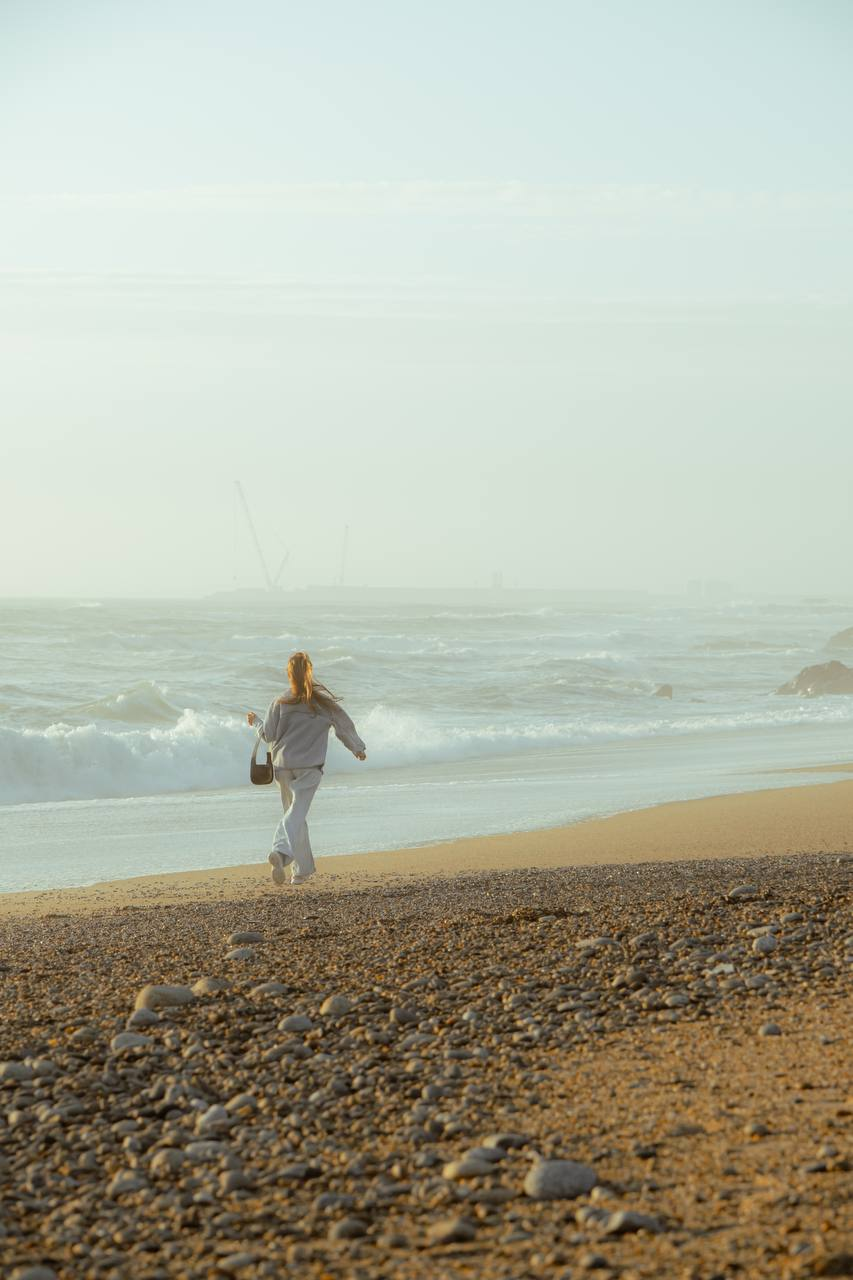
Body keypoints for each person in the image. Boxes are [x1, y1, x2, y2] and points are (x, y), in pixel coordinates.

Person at [247, 651, 366, 886]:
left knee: (295, 815)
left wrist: (256, 722)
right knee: (296, 813)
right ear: (309, 671)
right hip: (309, 767)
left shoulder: (279, 701)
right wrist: (357, 747)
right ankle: (280, 852)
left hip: (283, 767)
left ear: (288, 674)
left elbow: (268, 735)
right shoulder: (322, 703)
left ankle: (300, 872)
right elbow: (344, 725)